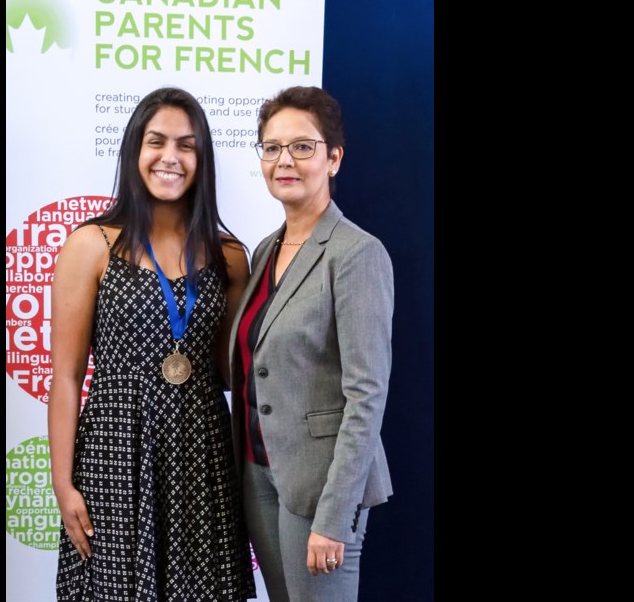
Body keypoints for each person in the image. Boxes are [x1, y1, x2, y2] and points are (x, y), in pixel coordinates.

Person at [48, 86, 256, 602]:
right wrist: (62, 482)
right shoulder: (90, 246)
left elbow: (230, 373)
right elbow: (67, 377)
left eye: (186, 145)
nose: (170, 158)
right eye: (156, 141)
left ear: (202, 158)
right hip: (114, 451)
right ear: (133, 151)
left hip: (200, 454)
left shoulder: (230, 255)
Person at [228, 86, 394, 602]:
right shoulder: (264, 250)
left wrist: (335, 514)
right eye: (272, 147)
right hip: (260, 475)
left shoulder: (357, 253)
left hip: (320, 488)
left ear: (334, 157)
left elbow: (366, 395)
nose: (284, 160)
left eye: (302, 146)